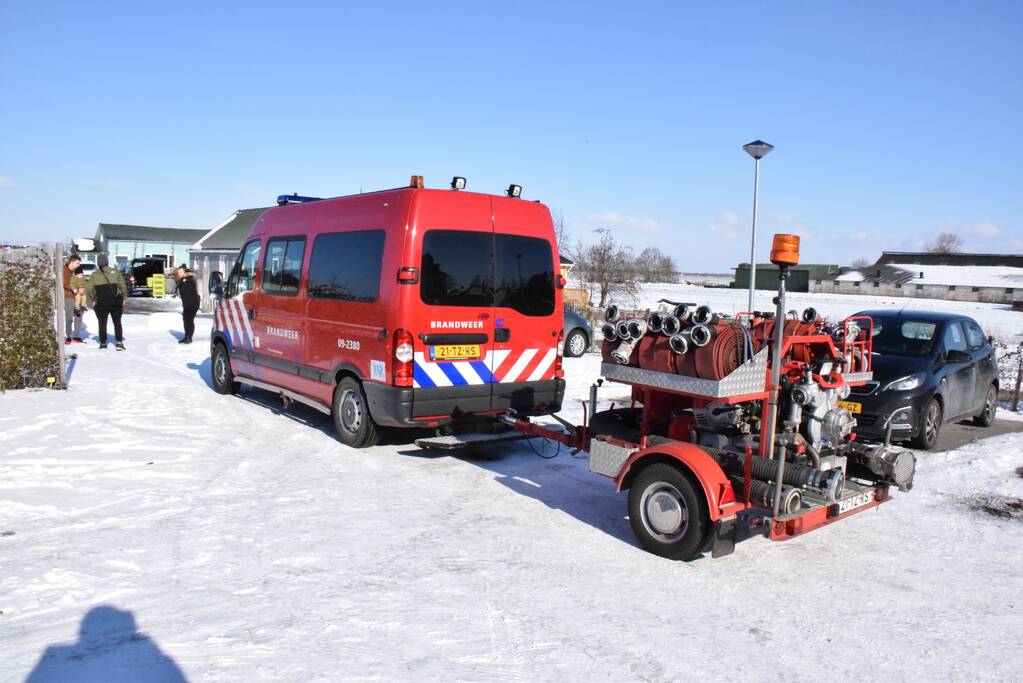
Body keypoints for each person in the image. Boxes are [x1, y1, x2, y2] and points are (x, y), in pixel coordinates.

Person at [86, 254, 128, 350]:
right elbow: (123, 286)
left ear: (98, 263)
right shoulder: (116, 272)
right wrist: (124, 297)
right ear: (107, 262)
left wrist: (94, 298)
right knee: (117, 322)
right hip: (115, 302)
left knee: (102, 322)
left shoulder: (94, 275)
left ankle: (103, 342)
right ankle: (118, 342)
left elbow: (88, 289)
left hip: (101, 302)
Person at [61, 255, 86, 344]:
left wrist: (83, 288)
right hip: (69, 296)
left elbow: (83, 279)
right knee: (69, 317)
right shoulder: (64, 270)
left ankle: (76, 335)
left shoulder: (77, 270)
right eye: (77, 263)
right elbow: (65, 283)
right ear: (72, 262)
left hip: (79, 296)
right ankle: (68, 335)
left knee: (78, 316)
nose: (79, 265)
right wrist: (75, 288)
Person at [173, 264, 200, 343]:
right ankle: (188, 336)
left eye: (180, 272)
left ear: (183, 271)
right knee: (188, 320)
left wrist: (180, 279)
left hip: (191, 303)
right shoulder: (187, 279)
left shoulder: (187, 279)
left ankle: (188, 337)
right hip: (190, 303)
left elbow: (186, 289)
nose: (178, 274)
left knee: (188, 320)